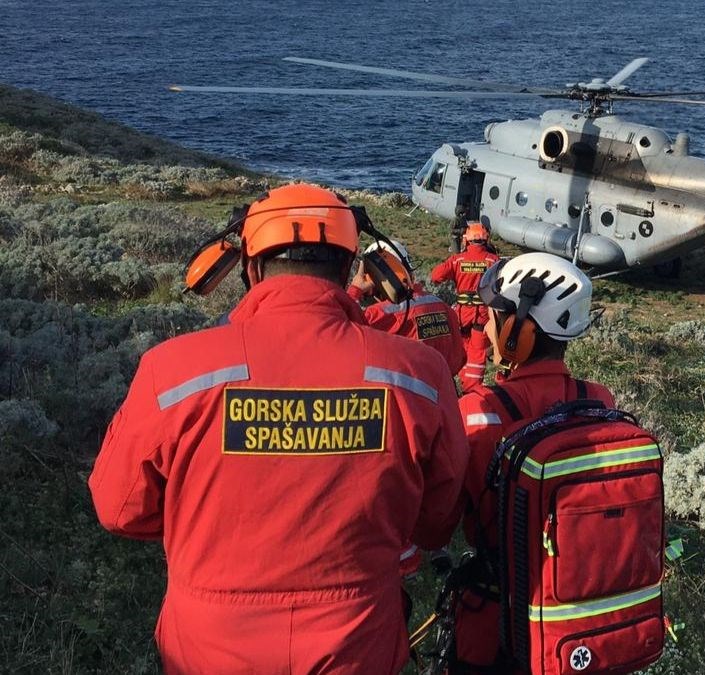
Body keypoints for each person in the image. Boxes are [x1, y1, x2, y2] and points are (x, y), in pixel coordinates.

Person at [88, 183, 468, 674]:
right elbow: (437, 522)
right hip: (358, 645)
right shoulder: (419, 375)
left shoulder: (173, 371)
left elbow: (119, 509)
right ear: (350, 264)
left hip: (208, 648)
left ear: (250, 267)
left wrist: (202, 522)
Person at [453, 252, 612, 671]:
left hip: (497, 618)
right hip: (581, 612)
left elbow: (441, 519)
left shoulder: (478, 409)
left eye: (492, 316)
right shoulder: (599, 400)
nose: (485, 326)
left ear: (516, 333)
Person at [348, 240, 467, 377]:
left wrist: (355, 290)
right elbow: (459, 359)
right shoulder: (443, 307)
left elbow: (340, 330)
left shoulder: (381, 315)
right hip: (444, 392)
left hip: (405, 395)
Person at [430, 221, 499, 389]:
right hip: (481, 316)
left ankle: (461, 383)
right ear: (485, 239)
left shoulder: (457, 260)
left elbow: (435, 276)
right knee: (477, 353)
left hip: (461, 315)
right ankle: (472, 389)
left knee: (462, 350)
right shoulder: (493, 261)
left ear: (466, 240)